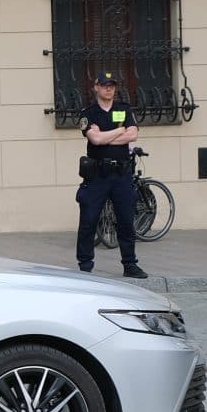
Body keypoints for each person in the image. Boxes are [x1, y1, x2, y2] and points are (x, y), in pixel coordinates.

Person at [76, 71, 149, 279]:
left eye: (112, 85)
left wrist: (105, 135)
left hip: (122, 175)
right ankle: (85, 266)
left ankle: (130, 264)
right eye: (105, 85)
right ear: (96, 87)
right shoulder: (88, 113)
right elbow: (95, 140)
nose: (109, 89)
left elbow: (133, 134)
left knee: (126, 220)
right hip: (98, 174)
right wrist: (119, 132)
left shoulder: (124, 109)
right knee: (89, 219)